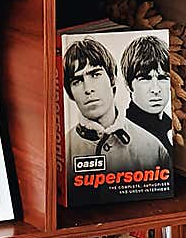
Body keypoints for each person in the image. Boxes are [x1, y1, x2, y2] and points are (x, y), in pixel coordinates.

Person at [63, 36, 168, 177]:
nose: (88, 89)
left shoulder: (153, 148)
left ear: (112, 79)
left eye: (95, 74)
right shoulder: (63, 152)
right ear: (70, 93)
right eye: (77, 81)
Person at [120, 33, 173, 158]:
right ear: (128, 85)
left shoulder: (170, 125)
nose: (156, 89)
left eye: (163, 78)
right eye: (145, 78)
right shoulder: (125, 135)